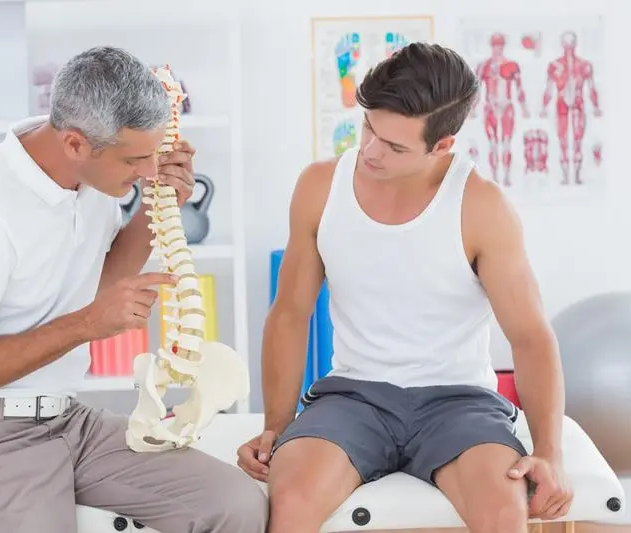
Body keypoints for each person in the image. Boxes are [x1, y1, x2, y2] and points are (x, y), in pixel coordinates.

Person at [0, 46, 267, 533]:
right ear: (75, 143)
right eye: (135, 160)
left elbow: (101, 283)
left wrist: (156, 207)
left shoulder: (92, 175)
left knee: (236, 505)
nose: (148, 173)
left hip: (66, 420)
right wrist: (87, 326)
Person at [237, 42, 572, 533]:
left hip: (459, 402)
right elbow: (290, 312)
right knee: (289, 500)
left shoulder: (481, 206)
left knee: (504, 510)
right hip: (353, 397)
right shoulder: (318, 188)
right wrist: (275, 423)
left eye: (394, 147)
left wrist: (550, 452)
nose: (371, 151)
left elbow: (531, 336)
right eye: (369, 127)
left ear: (443, 145)